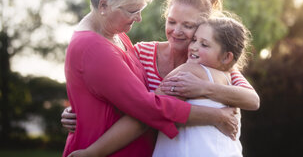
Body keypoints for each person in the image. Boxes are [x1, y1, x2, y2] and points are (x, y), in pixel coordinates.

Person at [62, 0, 239, 157]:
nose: (139, 18)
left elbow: (249, 96)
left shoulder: (117, 35)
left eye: (141, 9)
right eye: (132, 10)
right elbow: (148, 107)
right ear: (104, 6)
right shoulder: (93, 47)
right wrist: (215, 116)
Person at [68, 13, 252, 157]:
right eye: (195, 40)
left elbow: (146, 114)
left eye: (204, 44)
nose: (194, 47)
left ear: (226, 57)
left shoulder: (189, 71)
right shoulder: (230, 79)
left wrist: (94, 152)